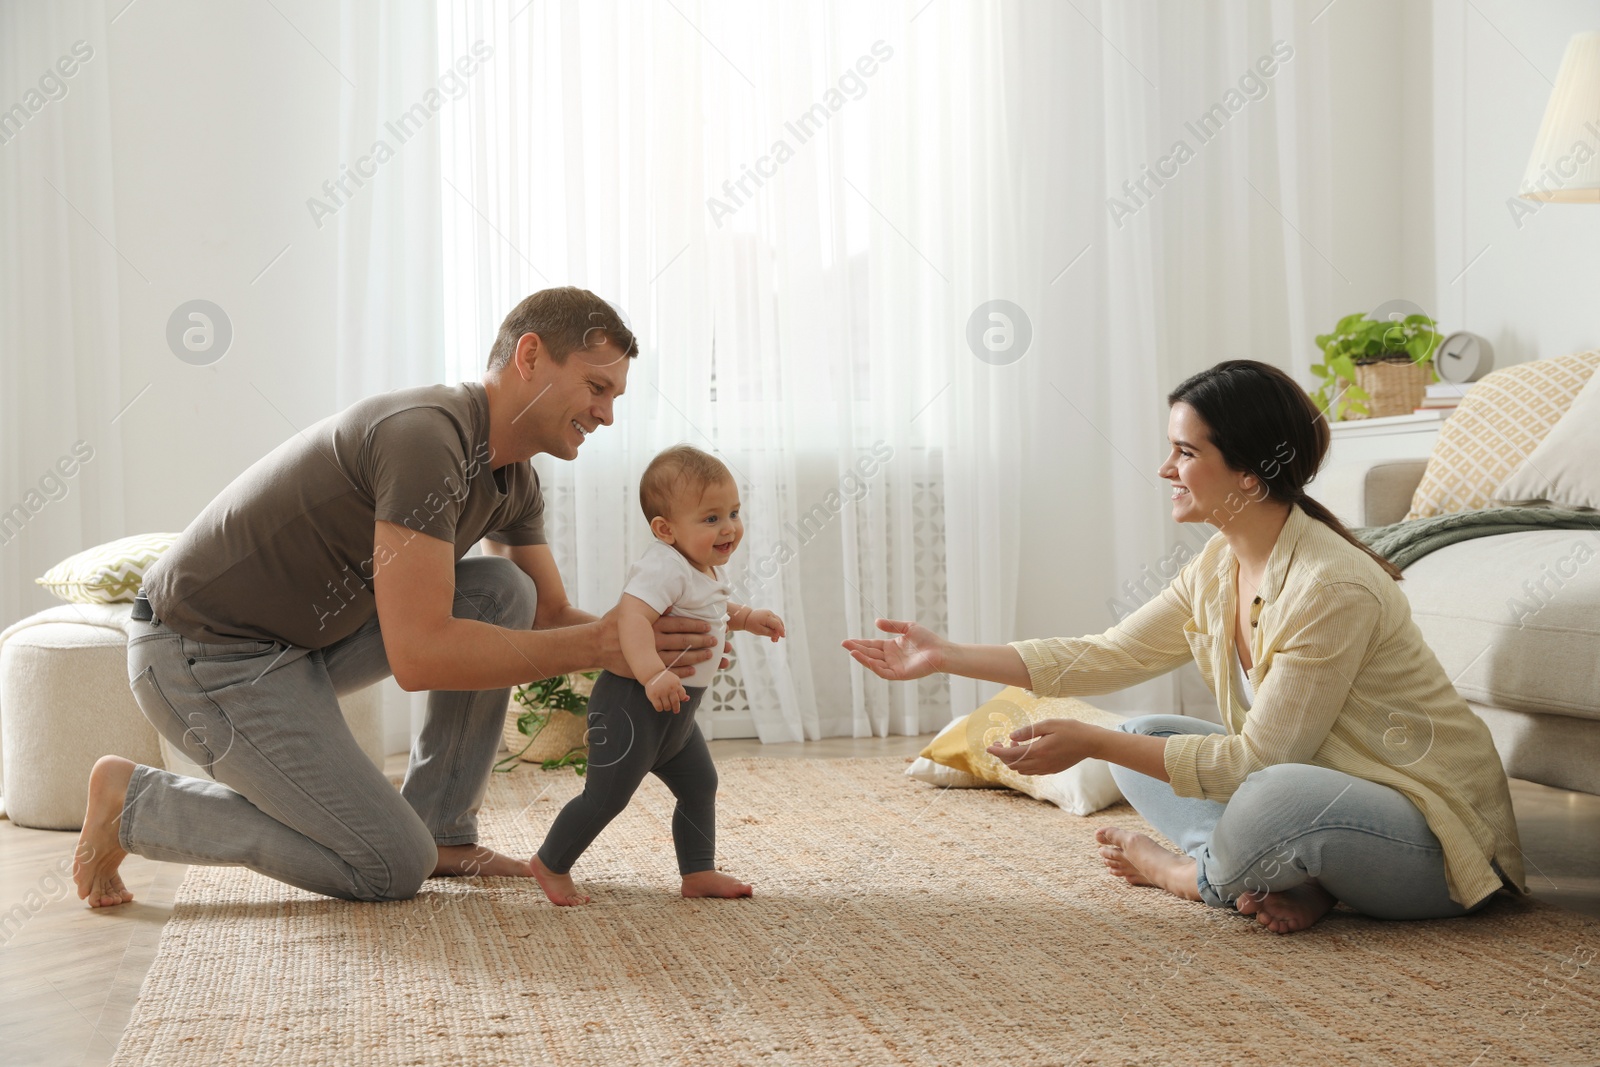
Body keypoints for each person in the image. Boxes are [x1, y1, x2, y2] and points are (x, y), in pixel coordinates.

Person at [74, 287, 728, 907]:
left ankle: (444, 829)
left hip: (298, 647)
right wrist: (602, 644)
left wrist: (657, 650)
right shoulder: (426, 436)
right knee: (388, 862)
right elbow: (419, 656)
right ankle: (135, 802)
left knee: (504, 589)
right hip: (200, 654)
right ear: (530, 356)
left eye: (615, 395)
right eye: (596, 386)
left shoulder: (514, 479)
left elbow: (552, 616)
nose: (607, 413)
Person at [843, 359, 1529, 934]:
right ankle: (1279, 877)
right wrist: (948, 654)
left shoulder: (1329, 585)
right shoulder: (1218, 564)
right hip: (1330, 802)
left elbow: (1262, 761)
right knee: (1145, 733)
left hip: (1438, 843)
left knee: (1268, 797)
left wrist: (1091, 740)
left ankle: (1192, 873)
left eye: (1187, 451)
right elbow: (1107, 654)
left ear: (1250, 474)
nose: (1166, 467)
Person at [531, 445, 784, 906]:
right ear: (665, 530)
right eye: (710, 519)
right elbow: (630, 618)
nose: (728, 527)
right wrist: (650, 674)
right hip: (634, 705)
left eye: (733, 512)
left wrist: (745, 616)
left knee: (700, 785)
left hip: (677, 717)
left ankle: (698, 871)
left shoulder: (697, 565)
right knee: (605, 797)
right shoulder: (662, 564)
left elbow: (707, 608)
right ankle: (551, 863)